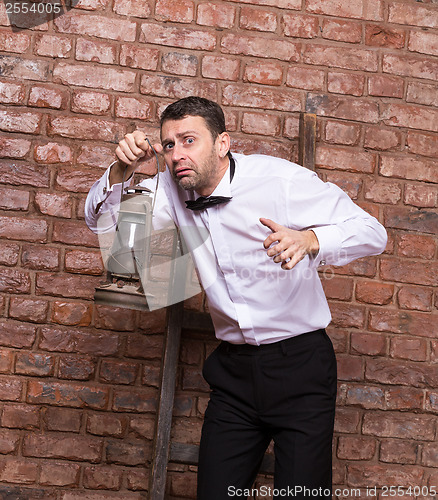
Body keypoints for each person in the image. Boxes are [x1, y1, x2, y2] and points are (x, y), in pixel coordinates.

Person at [85, 96, 387, 499]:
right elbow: (101, 222)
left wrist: (311, 238)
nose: (177, 155)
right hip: (234, 375)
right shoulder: (167, 192)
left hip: (300, 366)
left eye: (189, 140)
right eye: (169, 144)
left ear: (223, 143)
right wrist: (121, 170)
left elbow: (372, 232)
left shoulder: (280, 181)